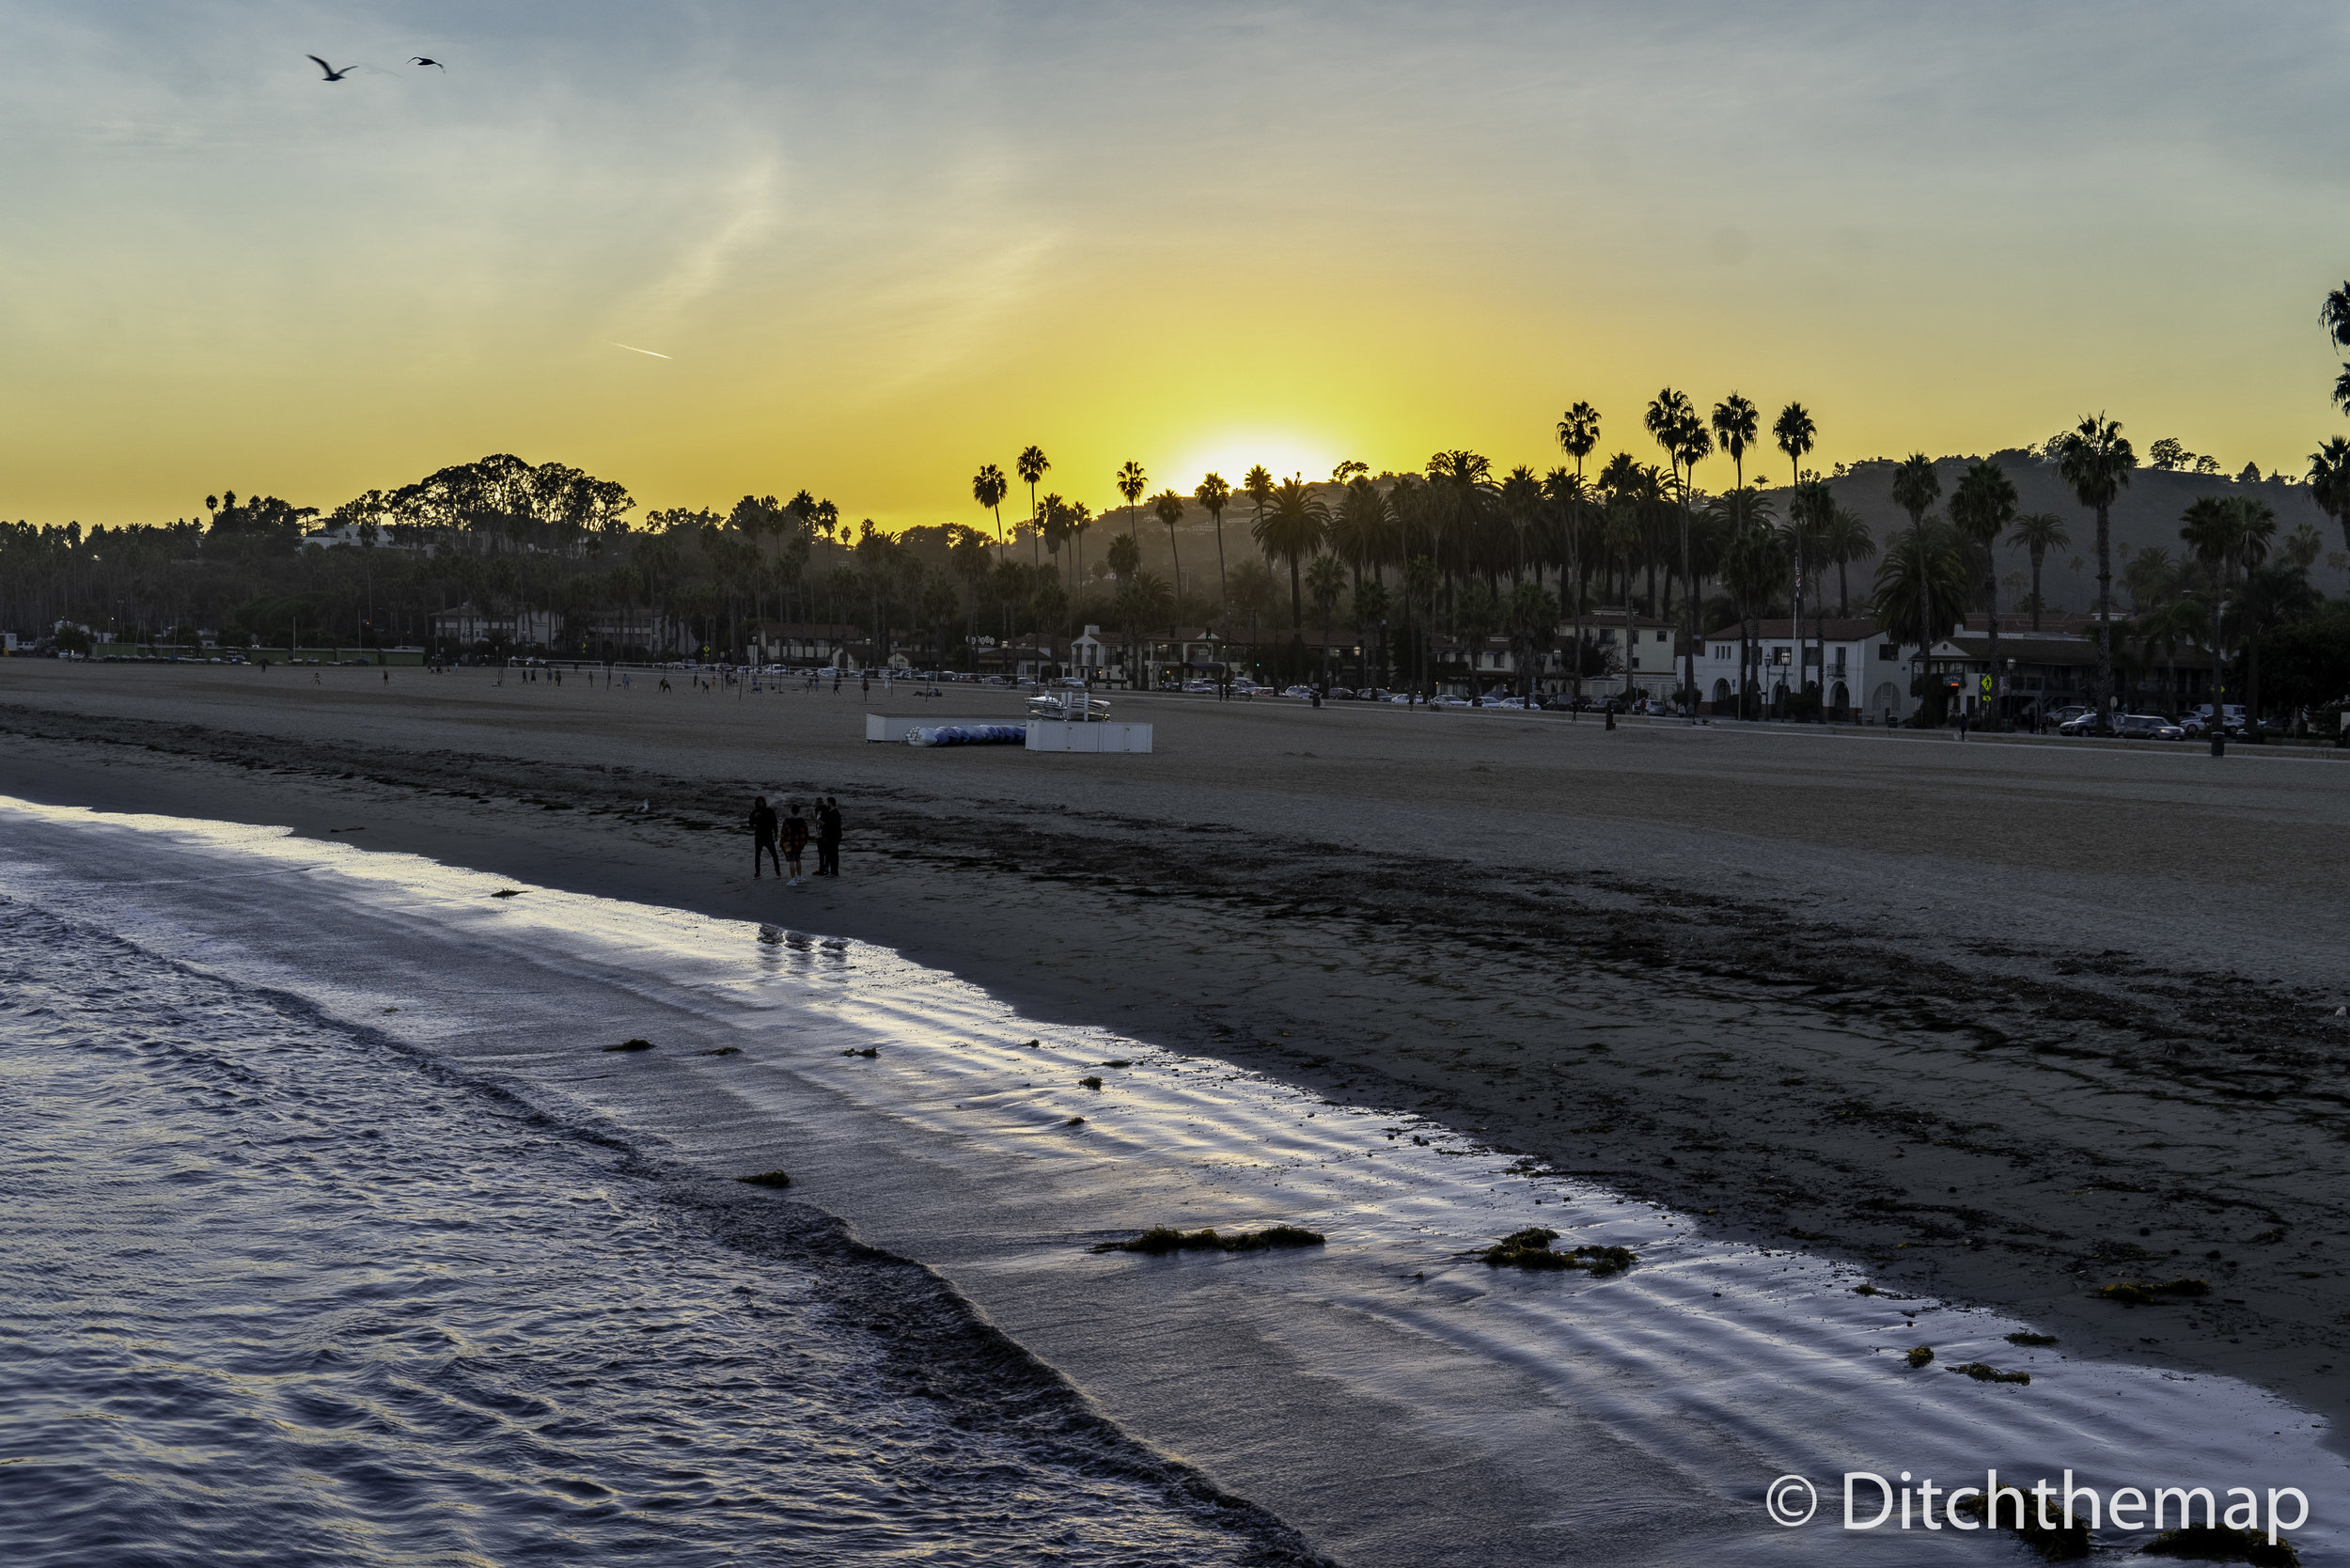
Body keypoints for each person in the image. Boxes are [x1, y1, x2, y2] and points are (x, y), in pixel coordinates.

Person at [749, 794, 780, 878]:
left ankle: (778, 871)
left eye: (762, 801)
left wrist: (776, 834)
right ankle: (757, 872)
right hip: (758, 836)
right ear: (757, 803)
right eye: (759, 802)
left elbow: (774, 823)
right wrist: (755, 818)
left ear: (764, 802)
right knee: (757, 855)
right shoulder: (755, 812)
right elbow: (751, 824)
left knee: (774, 854)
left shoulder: (769, 811)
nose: (761, 803)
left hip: (768, 836)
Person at [782, 802, 810, 885]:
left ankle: (793, 879)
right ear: (798, 811)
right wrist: (804, 842)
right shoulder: (802, 821)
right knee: (798, 859)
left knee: (791, 861)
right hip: (799, 843)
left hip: (788, 843)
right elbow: (806, 832)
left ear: (791, 811)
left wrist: (783, 843)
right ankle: (799, 877)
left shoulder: (787, 821)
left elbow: (784, 833)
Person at [816, 795, 842, 877]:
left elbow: (828, 826)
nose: (827, 804)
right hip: (834, 836)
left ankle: (834, 872)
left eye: (827, 802)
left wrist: (818, 821)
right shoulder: (834, 813)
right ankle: (833, 871)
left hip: (833, 837)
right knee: (832, 855)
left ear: (830, 803)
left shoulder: (834, 813)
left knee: (833, 855)